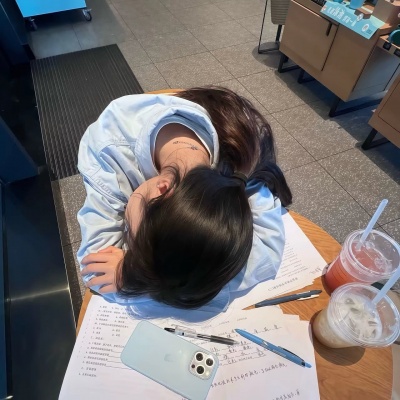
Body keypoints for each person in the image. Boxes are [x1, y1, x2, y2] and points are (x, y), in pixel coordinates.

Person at [77, 86, 292, 311]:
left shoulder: (239, 159)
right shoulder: (107, 152)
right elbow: (94, 269)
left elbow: (268, 249)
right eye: (134, 240)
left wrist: (135, 279)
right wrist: (150, 280)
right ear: (162, 189)